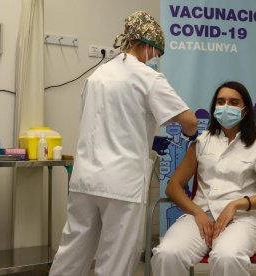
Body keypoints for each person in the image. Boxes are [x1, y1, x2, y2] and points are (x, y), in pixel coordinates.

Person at [49, 11, 198, 276]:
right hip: (122, 185)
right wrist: (190, 135)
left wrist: (148, 139)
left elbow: (106, 123)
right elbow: (189, 121)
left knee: (72, 254)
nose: (156, 61)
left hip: (85, 181)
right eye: (157, 54)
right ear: (148, 45)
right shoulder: (148, 78)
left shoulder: (98, 76)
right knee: (115, 261)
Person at [151, 81, 256, 276]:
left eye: (233, 102)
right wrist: (197, 213)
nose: (226, 107)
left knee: (227, 257)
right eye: (221, 101)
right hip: (201, 216)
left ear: (245, 110)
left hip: (243, 220)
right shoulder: (201, 143)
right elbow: (173, 187)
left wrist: (237, 204)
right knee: (167, 254)